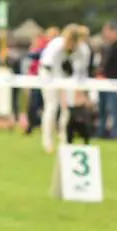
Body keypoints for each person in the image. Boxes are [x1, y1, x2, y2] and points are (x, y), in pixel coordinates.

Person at [38, 23, 92, 154]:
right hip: (49, 75)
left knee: (67, 107)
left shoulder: (82, 50)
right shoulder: (56, 45)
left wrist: (78, 88)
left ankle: (64, 137)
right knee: (51, 106)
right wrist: (59, 84)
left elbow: (81, 71)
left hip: (68, 78)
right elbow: (47, 65)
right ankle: (47, 140)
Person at [97, 20, 117, 139]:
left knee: (112, 109)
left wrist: (106, 74)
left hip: (114, 83)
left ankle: (115, 133)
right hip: (103, 82)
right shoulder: (107, 47)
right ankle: (101, 131)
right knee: (102, 109)